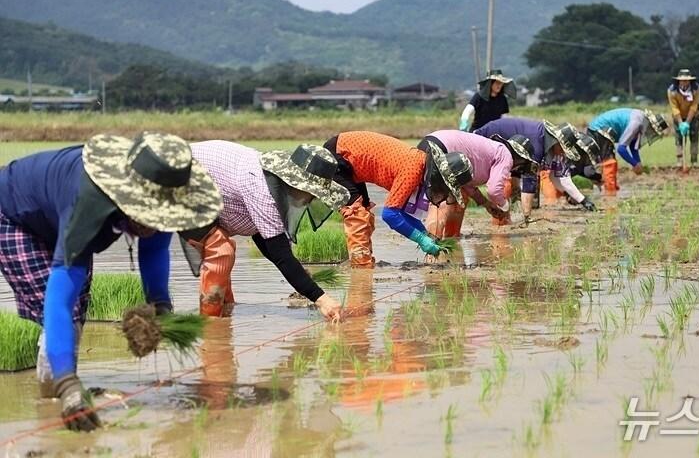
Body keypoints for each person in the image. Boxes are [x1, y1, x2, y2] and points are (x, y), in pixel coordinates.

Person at [0, 132, 223, 432]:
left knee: (80, 308)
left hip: (54, 216)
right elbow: (59, 298)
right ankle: (57, 393)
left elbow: (155, 249)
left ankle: (61, 391)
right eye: (147, 216)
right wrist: (68, 383)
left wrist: (161, 308)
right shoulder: (88, 202)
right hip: (13, 214)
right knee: (58, 306)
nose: (154, 224)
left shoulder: (163, 195)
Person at [182, 141, 350, 320]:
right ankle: (211, 324)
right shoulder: (261, 188)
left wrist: (301, 278)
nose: (311, 200)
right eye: (312, 194)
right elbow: (279, 254)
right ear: (296, 184)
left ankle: (224, 315)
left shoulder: (272, 183)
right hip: (177, 184)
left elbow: (265, 238)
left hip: (200, 185)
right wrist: (321, 299)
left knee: (223, 255)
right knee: (221, 251)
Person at [324, 131, 473, 267]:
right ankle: (361, 270)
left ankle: (364, 264)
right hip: (338, 155)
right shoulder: (413, 169)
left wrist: (428, 236)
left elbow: (400, 212)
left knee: (365, 213)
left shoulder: (419, 165)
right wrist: (420, 240)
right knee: (357, 214)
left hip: (351, 162)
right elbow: (390, 215)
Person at [475, 118, 598, 222]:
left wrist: (578, 198)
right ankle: (501, 223)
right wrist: (527, 218)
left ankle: (507, 219)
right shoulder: (538, 145)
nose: (563, 153)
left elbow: (557, 177)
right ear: (558, 142)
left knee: (515, 182)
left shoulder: (548, 142)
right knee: (500, 182)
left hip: (507, 148)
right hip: (488, 138)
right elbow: (529, 183)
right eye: (563, 149)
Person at [420, 129, 534, 237]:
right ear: (520, 159)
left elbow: (466, 183)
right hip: (441, 149)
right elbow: (494, 190)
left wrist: (486, 204)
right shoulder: (505, 155)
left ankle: (450, 238)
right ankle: (434, 245)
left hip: (430, 143)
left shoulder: (492, 152)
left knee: (455, 199)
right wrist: (505, 206)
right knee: (441, 202)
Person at [587, 108, 669, 194]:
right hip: (599, 130)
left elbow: (632, 145)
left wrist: (638, 162)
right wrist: (634, 164)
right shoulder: (636, 123)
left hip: (603, 131)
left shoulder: (641, 120)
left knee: (610, 163)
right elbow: (621, 149)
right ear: (650, 126)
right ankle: (609, 193)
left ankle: (610, 188)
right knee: (610, 163)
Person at [667, 69, 699, 168]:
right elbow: (674, 108)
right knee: (679, 137)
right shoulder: (672, 91)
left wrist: (687, 122)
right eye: (682, 80)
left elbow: (694, 106)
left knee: (694, 136)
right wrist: (680, 122)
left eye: (686, 80)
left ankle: (694, 160)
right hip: (678, 116)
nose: (684, 83)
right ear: (678, 81)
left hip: (693, 115)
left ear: (690, 81)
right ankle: (680, 160)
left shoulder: (697, 89)